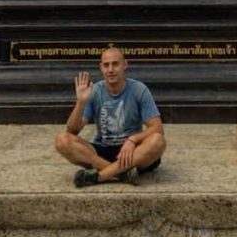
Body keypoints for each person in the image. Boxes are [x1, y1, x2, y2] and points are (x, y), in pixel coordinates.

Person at [54, 46, 166, 187]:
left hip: (132, 152)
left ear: (125, 64)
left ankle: (100, 176)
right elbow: (72, 131)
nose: (110, 69)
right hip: (102, 150)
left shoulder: (139, 89)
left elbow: (157, 128)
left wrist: (132, 140)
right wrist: (80, 103)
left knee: (158, 140)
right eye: (106, 65)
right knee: (62, 140)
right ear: (101, 67)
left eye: (115, 64)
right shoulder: (95, 91)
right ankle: (122, 173)